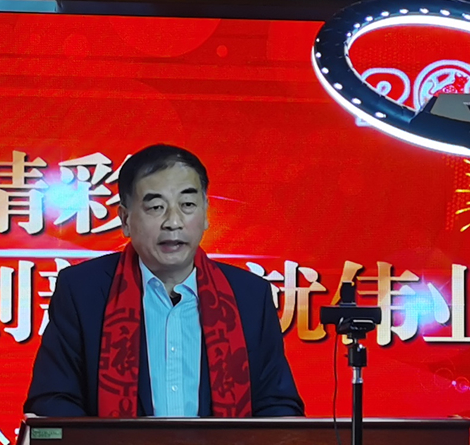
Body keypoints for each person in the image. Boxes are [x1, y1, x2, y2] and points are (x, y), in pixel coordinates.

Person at [25, 144, 304, 418]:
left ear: (206, 213)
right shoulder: (82, 291)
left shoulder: (249, 296)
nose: (173, 222)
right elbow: (52, 400)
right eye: (156, 207)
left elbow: (278, 405)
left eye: (187, 205)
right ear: (125, 219)